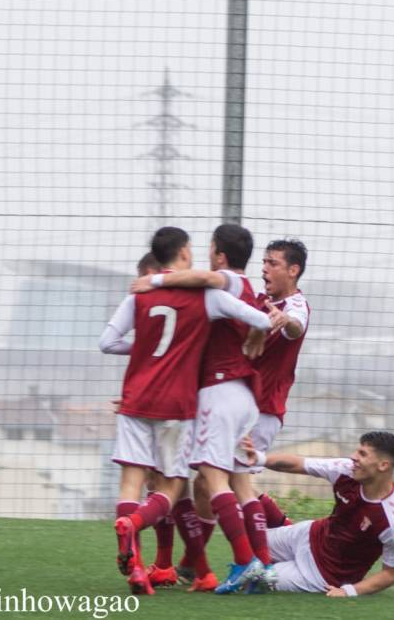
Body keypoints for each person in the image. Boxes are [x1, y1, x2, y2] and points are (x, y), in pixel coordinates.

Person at [99, 226, 273, 596]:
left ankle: (141, 565)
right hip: (181, 404)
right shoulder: (206, 297)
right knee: (175, 485)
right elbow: (260, 319)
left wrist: (143, 348)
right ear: (183, 253)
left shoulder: (140, 294)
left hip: (137, 398)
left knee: (133, 483)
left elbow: (107, 342)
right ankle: (228, 562)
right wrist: (258, 331)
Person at [131, 237, 312, 584]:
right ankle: (230, 560)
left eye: (273, 263)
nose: (265, 268)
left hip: (260, 408)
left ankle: (244, 559)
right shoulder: (257, 300)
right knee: (219, 482)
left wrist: (280, 320)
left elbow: (295, 325)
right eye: (264, 262)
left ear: (293, 270)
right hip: (241, 402)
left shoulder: (294, 304)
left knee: (215, 480)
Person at [242, 431, 394, 596]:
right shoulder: (347, 470)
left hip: (320, 575)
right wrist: (259, 458)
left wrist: (348, 591)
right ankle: (283, 525)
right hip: (307, 535)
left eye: (363, 454)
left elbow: (392, 574)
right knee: (248, 545)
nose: (353, 456)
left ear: (383, 465)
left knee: (251, 579)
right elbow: (298, 464)